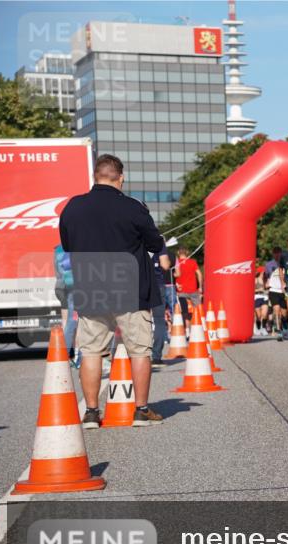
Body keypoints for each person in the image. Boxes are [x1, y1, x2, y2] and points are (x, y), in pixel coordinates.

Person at [59, 154, 165, 427]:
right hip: (131, 290)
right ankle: (141, 410)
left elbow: (68, 246)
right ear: (121, 177)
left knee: (92, 351)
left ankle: (92, 412)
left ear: (96, 176)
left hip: (91, 289)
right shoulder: (133, 208)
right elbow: (155, 244)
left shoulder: (73, 208)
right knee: (139, 351)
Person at [53, 244, 78, 366]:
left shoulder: (58, 249)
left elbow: (58, 271)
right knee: (75, 322)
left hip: (61, 287)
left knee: (66, 321)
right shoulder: (74, 247)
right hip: (73, 287)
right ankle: (70, 355)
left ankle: (63, 354)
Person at [150, 246, 172, 367]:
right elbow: (165, 265)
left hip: (138, 284)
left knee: (137, 320)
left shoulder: (133, 236)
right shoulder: (156, 241)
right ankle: (156, 357)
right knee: (159, 321)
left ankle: (137, 356)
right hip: (157, 285)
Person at [264, 246, 288, 339]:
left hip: (283, 291)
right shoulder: (269, 265)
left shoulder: (285, 263)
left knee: (285, 313)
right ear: (273, 253)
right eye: (275, 252)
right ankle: (279, 331)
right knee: (276, 310)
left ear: (281, 253)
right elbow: (265, 276)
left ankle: (285, 327)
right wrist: (265, 284)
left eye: (278, 252)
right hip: (273, 290)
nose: (277, 254)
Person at [174, 246, 202, 329]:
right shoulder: (193, 262)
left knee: (183, 310)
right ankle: (200, 327)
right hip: (193, 290)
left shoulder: (176, 263)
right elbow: (199, 274)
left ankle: (185, 329)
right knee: (198, 309)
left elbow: (173, 275)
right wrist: (200, 286)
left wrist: (176, 283)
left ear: (178, 253)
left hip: (181, 291)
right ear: (187, 253)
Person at [254, 265, 269, 335]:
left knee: (265, 314)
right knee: (259, 316)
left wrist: (268, 287)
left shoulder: (266, 279)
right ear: (260, 272)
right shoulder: (255, 279)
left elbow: (267, 288)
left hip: (265, 297)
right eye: (263, 272)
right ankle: (258, 328)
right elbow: (251, 289)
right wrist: (258, 290)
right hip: (257, 297)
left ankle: (263, 328)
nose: (264, 273)